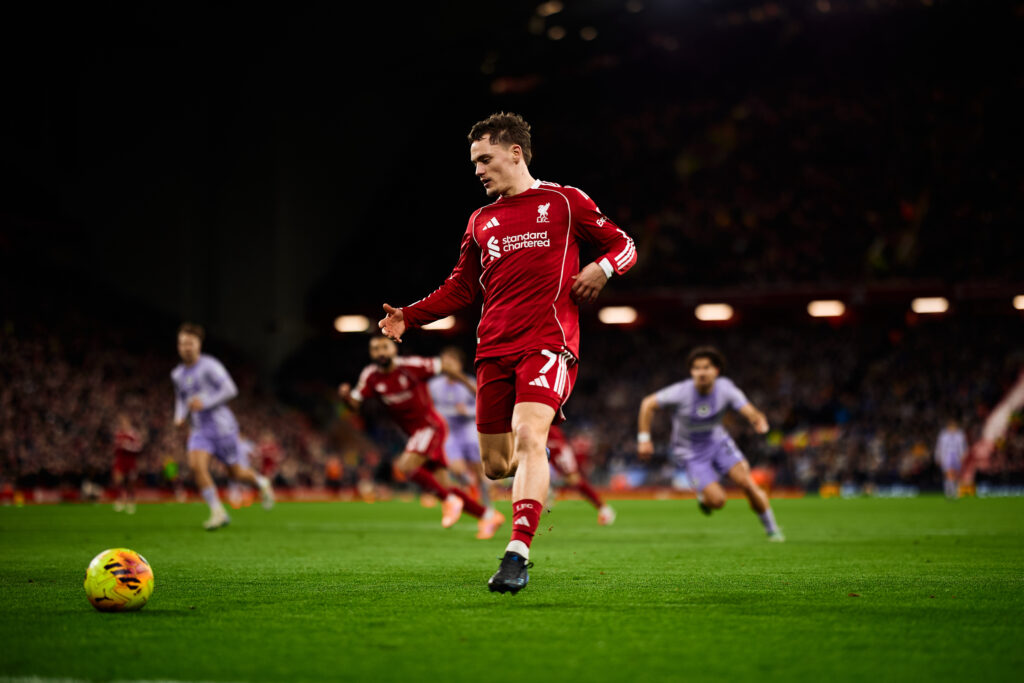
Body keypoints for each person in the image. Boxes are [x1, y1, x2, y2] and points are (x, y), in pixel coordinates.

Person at [376, 112, 637, 593]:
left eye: (485, 159)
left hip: (548, 342)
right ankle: (535, 473)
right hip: (492, 349)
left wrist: (602, 269)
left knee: (530, 435)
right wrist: (409, 316)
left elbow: (625, 244)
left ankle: (517, 554)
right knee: (496, 465)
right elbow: (461, 287)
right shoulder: (480, 220)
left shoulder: (564, 201)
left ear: (515, 153)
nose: (477, 170)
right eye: (474, 162)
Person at [338, 335, 505, 539]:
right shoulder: (370, 376)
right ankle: (488, 516)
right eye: (375, 349)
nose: (380, 352)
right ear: (371, 353)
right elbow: (355, 404)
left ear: (394, 350)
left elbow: (446, 367)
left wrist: (475, 390)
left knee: (404, 466)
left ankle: (449, 500)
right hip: (415, 433)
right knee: (444, 485)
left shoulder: (412, 366)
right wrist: (345, 398)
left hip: (430, 426)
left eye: (384, 347)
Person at [636, 346, 783, 542]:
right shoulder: (681, 392)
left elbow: (748, 409)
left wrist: (757, 419)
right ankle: (705, 498)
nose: (701, 372)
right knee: (718, 501)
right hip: (691, 453)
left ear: (716, 370)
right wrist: (644, 439)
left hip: (718, 443)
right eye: (696, 368)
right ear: (691, 372)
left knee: (747, 483)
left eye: (706, 367)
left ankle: (772, 530)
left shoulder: (725, 388)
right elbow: (647, 404)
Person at [172, 323, 275, 530]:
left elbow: (230, 389)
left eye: (190, 343)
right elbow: (181, 398)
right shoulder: (177, 374)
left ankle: (261, 482)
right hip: (199, 430)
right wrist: (179, 416)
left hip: (222, 428)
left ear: (199, 345)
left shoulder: (210, 366)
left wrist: (205, 403)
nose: (186, 347)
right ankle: (218, 512)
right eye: (182, 343)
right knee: (196, 466)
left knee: (236, 473)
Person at [428, 347, 497, 531]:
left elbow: (484, 406)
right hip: (449, 431)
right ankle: (469, 485)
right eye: (444, 362)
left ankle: (488, 508)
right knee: (456, 469)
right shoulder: (434, 385)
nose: (447, 366)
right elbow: (428, 406)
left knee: (480, 473)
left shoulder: (469, 383)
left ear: (459, 365)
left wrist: (467, 411)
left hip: (468, 429)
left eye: (451, 362)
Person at [962, 369, 1024, 487]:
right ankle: (966, 483)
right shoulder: (988, 441)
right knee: (1010, 404)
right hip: (993, 436)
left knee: (1010, 404)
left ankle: (966, 482)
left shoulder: (988, 435)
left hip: (992, 436)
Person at [547, 425, 615, 525]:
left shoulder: (553, 434)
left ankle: (603, 507)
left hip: (553, 448)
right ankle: (546, 494)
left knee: (574, 479)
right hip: (541, 447)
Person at [111, 413, 143, 514]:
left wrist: (128, 446)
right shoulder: (118, 434)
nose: (123, 424)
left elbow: (139, 447)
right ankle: (120, 499)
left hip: (130, 461)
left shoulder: (133, 434)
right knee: (118, 480)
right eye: (122, 422)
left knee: (130, 483)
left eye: (125, 422)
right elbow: (115, 447)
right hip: (120, 460)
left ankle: (131, 501)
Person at [935, 419, 967, 499]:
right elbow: (939, 447)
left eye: (954, 426)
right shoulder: (943, 435)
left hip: (957, 456)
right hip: (946, 456)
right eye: (951, 426)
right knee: (948, 474)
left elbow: (963, 446)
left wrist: (963, 456)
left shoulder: (960, 435)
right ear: (948, 427)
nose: (952, 428)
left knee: (956, 475)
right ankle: (949, 492)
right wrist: (938, 456)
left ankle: (955, 492)